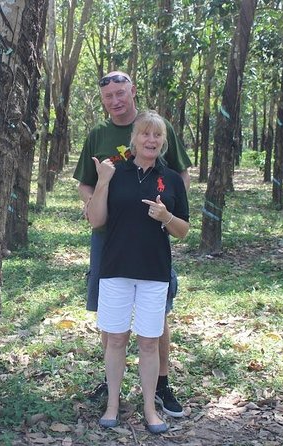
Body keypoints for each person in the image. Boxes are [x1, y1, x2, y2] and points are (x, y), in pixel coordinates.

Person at [73, 71, 192, 418]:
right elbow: (86, 183)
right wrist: (97, 206)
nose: (115, 101)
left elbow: (180, 175)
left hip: (153, 236)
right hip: (109, 237)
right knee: (111, 317)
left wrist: (170, 211)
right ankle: (113, 386)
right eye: (108, 96)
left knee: (157, 314)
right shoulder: (98, 134)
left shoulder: (155, 126)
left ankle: (161, 385)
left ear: (132, 92)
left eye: (121, 94)